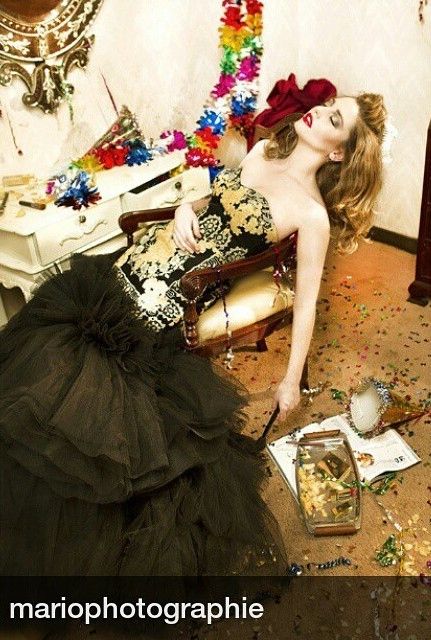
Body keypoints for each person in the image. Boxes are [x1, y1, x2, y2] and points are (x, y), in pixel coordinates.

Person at [0, 93, 386, 577]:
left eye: (334, 118)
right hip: (137, 261)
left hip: (166, 300)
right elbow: (213, 201)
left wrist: (290, 380)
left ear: (339, 152)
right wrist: (186, 207)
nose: (319, 111)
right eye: (328, 103)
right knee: (42, 362)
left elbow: (306, 302)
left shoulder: (311, 215)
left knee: (87, 399)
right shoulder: (263, 151)